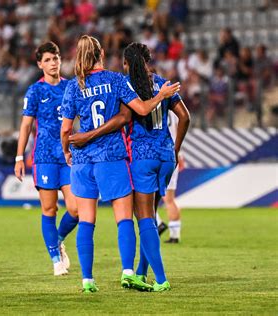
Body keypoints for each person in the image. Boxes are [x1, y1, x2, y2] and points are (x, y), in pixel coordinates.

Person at [60, 36, 180, 293]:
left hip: (81, 159)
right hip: (112, 157)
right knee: (125, 218)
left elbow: (66, 129)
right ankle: (128, 272)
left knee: (86, 221)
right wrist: (161, 95)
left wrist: (68, 152)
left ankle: (87, 280)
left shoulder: (72, 86)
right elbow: (138, 111)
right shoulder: (115, 80)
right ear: (101, 53)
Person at [14, 42, 79, 276]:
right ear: (40, 64)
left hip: (68, 156)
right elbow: (26, 125)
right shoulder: (35, 91)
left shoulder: (71, 87)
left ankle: (58, 239)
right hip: (44, 157)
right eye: (49, 60)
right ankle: (55, 259)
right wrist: (19, 156)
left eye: (56, 58)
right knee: (49, 208)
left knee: (76, 209)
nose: (54, 63)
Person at [157, 111, 185, 244]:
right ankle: (174, 234)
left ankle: (159, 224)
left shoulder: (155, 103)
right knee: (169, 198)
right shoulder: (173, 108)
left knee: (165, 199)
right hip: (172, 154)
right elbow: (178, 129)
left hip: (159, 154)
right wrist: (180, 153)